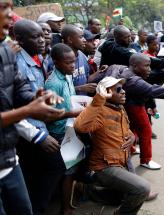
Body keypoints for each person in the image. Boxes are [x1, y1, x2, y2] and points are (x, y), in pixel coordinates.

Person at [1, 2, 64, 213]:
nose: (10, 15)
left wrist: (38, 97)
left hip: (8, 157)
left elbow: (20, 91)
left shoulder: (6, 53)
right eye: (3, 9)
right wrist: (30, 115)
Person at [74, 77, 156, 214]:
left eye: (123, 89)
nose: (123, 92)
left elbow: (125, 130)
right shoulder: (99, 110)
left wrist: (132, 136)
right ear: (106, 92)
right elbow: (80, 127)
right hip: (104, 167)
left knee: (131, 195)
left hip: (120, 162)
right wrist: (98, 99)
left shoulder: (119, 108)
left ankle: (87, 190)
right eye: (118, 90)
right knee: (142, 189)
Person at [45, 43, 82, 215]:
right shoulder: (53, 83)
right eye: (68, 63)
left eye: (74, 62)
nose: (73, 66)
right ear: (56, 62)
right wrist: (71, 113)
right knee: (66, 171)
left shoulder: (67, 76)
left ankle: (67, 203)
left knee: (71, 168)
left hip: (70, 128)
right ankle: (64, 209)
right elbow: (49, 115)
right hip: (58, 132)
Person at [61, 24, 97, 95]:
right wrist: (80, 88)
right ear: (70, 39)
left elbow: (86, 78)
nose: (84, 40)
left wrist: (100, 72)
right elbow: (56, 90)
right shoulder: (59, 59)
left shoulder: (82, 55)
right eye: (81, 37)